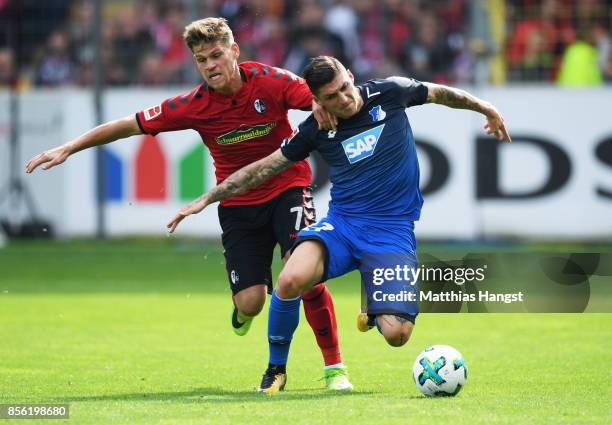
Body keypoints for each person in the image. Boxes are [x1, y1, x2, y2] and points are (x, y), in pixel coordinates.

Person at [25, 19, 353, 391]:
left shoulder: (271, 80)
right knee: (251, 303)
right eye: (201, 60)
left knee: (302, 275)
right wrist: (69, 147)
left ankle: (334, 369)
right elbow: (129, 124)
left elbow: (314, 93)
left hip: (288, 188)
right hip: (237, 204)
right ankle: (243, 308)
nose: (210, 65)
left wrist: (316, 102)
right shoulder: (194, 106)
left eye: (216, 55)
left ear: (234, 52)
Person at [167, 55, 511, 394]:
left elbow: (441, 93)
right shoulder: (317, 129)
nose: (344, 99)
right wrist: (207, 198)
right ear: (317, 101)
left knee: (397, 336)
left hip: (391, 233)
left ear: (349, 75)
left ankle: (376, 313)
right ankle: (276, 370)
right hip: (343, 226)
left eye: (344, 88)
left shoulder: (390, 92)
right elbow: (264, 167)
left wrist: (486, 108)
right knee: (290, 279)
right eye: (331, 97)